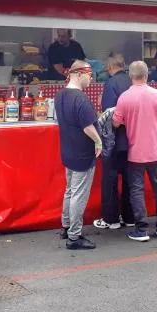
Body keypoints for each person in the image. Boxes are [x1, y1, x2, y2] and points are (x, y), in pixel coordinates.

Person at [113, 61, 157, 242]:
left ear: (130, 76)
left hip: (135, 152)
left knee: (137, 190)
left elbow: (116, 122)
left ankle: (141, 229)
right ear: (146, 75)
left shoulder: (124, 97)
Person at [56, 60, 102, 250]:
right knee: (78, 195)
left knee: (70, 190)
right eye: (90, 75)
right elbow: (88, 127)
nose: (91, 79)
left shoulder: (60, 95)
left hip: (68, 151)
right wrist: (98, 141)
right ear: (79, 74)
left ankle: (66, 227)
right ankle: (74, 237)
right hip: (82, 154)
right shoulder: (81, 99)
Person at [94, 55, 133, 230]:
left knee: (110, 179)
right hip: (133, 140)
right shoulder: (133, 81)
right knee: (130, 180)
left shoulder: (111, 83)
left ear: (110, 67)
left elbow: (108, 113)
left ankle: (111, 219)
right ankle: (130, 217)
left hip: (115, 140)